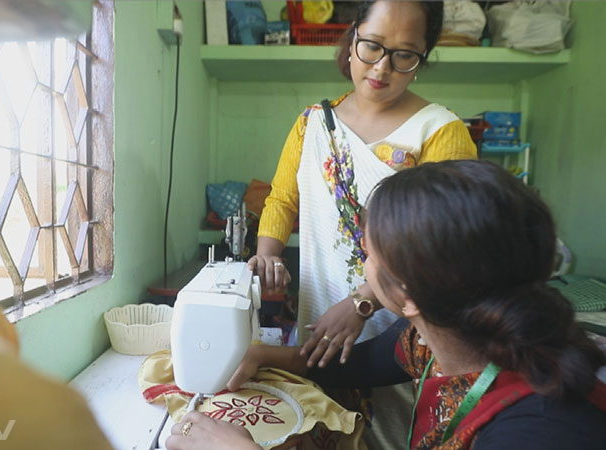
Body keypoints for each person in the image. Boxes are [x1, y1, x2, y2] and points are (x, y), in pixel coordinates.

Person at [167, 160, 606, 450]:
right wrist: (266, 354)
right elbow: (352, 364)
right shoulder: (437, 338)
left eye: (369, 256)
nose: (364, 267)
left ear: (407, 295)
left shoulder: (537, 431)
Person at [248, 1, 476, 447]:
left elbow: (438, 245)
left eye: (405, 55)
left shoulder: (440, 132)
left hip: (401, 329)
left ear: (423, 58)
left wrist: (363, 303)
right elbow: (282, 197)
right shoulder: (314, 124)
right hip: (319, 315)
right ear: (352, 38)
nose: (383, 67)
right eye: (372, 46)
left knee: (389, 431)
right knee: (322, 419)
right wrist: (266, 253)